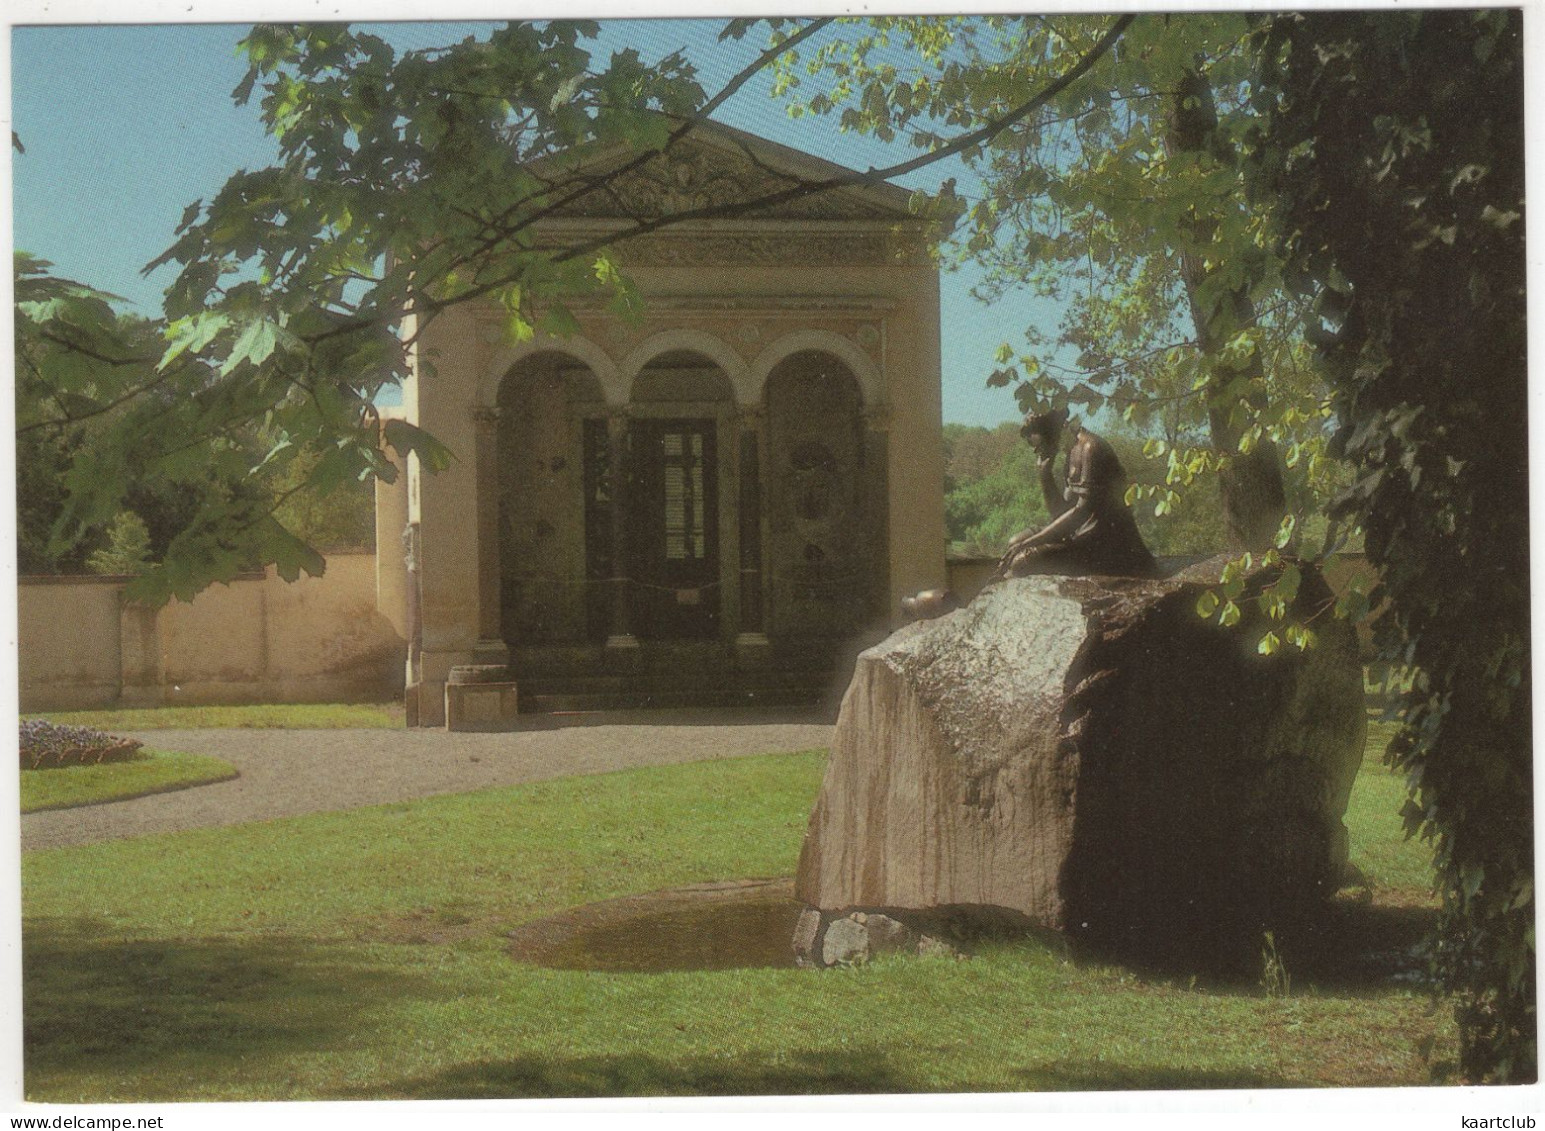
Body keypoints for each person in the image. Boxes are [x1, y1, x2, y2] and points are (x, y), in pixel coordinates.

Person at [994, 408, 1160, 581]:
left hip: (1106, 547)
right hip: (1081, 535)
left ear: (1053, 431)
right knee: (1014, 543)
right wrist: (1045, 474)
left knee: (1021, 562)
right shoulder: (1071, 451)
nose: (1036, 450)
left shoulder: (1091, 449)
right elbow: (1060, 513)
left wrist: (1029, 543)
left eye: (1037, 442)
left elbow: (1081, 513)